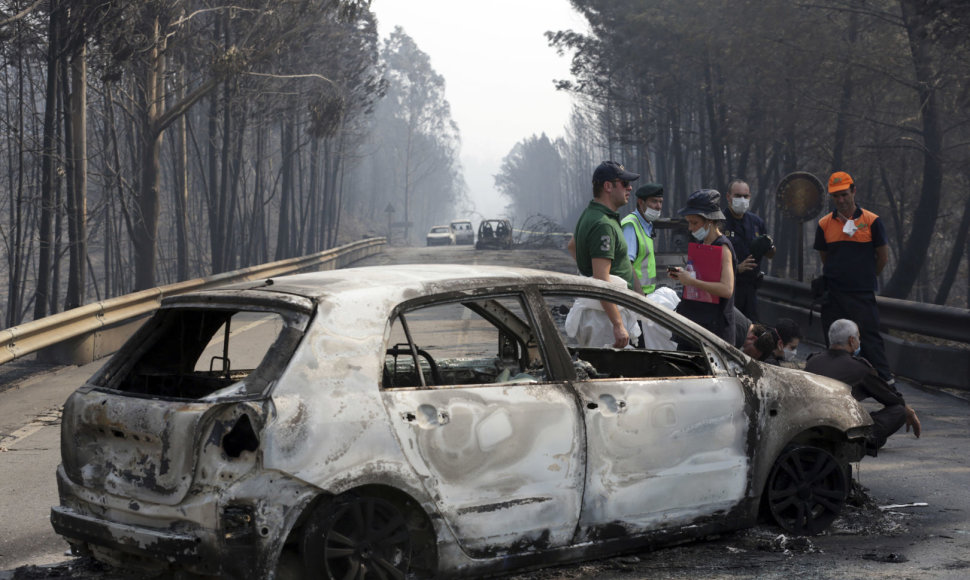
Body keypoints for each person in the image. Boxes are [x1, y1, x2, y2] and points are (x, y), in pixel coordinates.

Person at [814, 171, 893, 383]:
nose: (840, 200)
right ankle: (835, 387)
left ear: (853, 191)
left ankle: (888, 388)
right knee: (834, 347)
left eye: (844, 194)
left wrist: (865, 277)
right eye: (836, 196)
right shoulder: (824, 224)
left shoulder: (872, 221)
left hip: (862, 295)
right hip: (834, 296)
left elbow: (883, 257)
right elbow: (826, 257)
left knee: (871, 343)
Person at [805, 319, 920, 454]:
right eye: (859, 338)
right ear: (852, 340)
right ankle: (862, 442)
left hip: (809, 425)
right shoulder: (860, 368)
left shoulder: (812, 361)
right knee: (898, 411)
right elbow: (891, 398)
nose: (860, 342)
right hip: (840, 431)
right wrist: (909, 412)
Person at [568, 160, 640, 347]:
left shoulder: (590, 214)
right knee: (610, 374)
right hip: (605, 320)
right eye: (624, 183)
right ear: (608, 186)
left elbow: (572, 246)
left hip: (600, 313)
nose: (630, 188)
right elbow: (601, 280)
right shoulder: (603, 225)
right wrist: (617, 324)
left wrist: (588, 273)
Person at [668, 189, 737, 345]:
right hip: (695, 323)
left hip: (714, 330)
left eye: (695, 223)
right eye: (689, 223)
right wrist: (682, 275)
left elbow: (726, 289)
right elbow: (702, 276)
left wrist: (692, 282)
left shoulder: (723, 246)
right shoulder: (701, 244)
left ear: (710, 221)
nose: (690, 228)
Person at [723, 179, 774, 322]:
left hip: (751, 289)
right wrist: (737, 268)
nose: (742, 200)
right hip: (728, 289)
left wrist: (768, 247)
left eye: (745, 196)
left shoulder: (756, 222)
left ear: (750, 197)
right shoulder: (719, 223)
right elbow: (712, 260)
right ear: (728, 197)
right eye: (737, 196)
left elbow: (770, 254)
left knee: (751, 330)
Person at [621, 183, 664, 295]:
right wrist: (639, 295)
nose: (658, 206)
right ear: (641, 202)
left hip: (646, 295)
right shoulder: (631, 225)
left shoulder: (647, 224)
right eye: (654, 201)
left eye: (660, 202)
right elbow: (626, 264)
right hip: (635, 296)